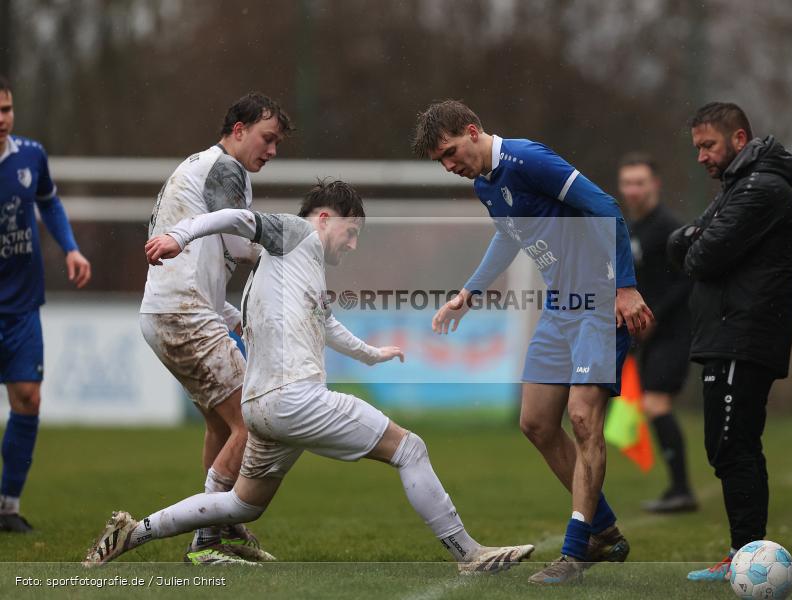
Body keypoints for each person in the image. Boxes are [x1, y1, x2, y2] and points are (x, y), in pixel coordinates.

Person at [84, 181, 535, 573]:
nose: (353, 244)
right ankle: (468, 554)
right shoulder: (296, 233)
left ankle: (131, 532)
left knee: (243, 506)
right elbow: (235, 216)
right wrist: (179, 236)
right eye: (351, 232)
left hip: (261, 407)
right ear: (324, 218)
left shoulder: (287, 263)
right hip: (294, 399)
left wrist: (371, 354)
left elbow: (326, 322)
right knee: (410, 449)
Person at [413, 100, 654, 585]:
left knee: (583, 419)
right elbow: (509, 237)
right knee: (537, 423)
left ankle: (576, 551)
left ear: (473, 130)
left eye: (451, 152)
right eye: (442, 161)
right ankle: (604, 529)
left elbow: (605, 206)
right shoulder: (485, 184)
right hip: (561, 305)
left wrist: (625, 287)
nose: (449, 166)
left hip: (599, 302)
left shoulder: (528, 160)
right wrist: (468, 292)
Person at [138, 92, 292, 562]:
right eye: (267, 139)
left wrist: (232, 311)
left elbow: (223, 247)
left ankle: (221, 527)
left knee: (224, 427)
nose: (271, 151)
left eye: (278, 144)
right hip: (182, 312)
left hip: (169, 310)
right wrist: (296, 250)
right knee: (254, 421)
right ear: (238, 130)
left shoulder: (201, 167)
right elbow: (243, 234)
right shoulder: (228, 169)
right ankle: (209, 536)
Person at [667, 102, 792, 582]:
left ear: (739, 140)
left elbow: (700, 255)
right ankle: (741, 553)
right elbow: (680, 244)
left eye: (708, 145)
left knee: (733, 446)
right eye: (697, 147)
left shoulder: (761, 189)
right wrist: (695, 240)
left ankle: (746, 555)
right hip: (729, 336)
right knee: (730, 446)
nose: (701, 156)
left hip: (742, 337)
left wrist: (696, 241)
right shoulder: (738, 187)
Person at [0, 75, 91, 532]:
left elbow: (49, 204)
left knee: (28, 399)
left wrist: (71, 247)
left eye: (7, 109)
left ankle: (7, 507)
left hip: (20, 306)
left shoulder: (31, 156)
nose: (2, 119)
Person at [617, 152, 696, 513]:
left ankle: (682, 490)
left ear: (655, 185)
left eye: (640, 182)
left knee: (656, 403)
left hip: (673, 332)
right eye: (627, 183)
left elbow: (686, 282)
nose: (633, 190)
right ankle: (678, 489)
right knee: (650, 405)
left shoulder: (669, 228)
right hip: (645, 334)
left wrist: (654, 317)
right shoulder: (630, 229)